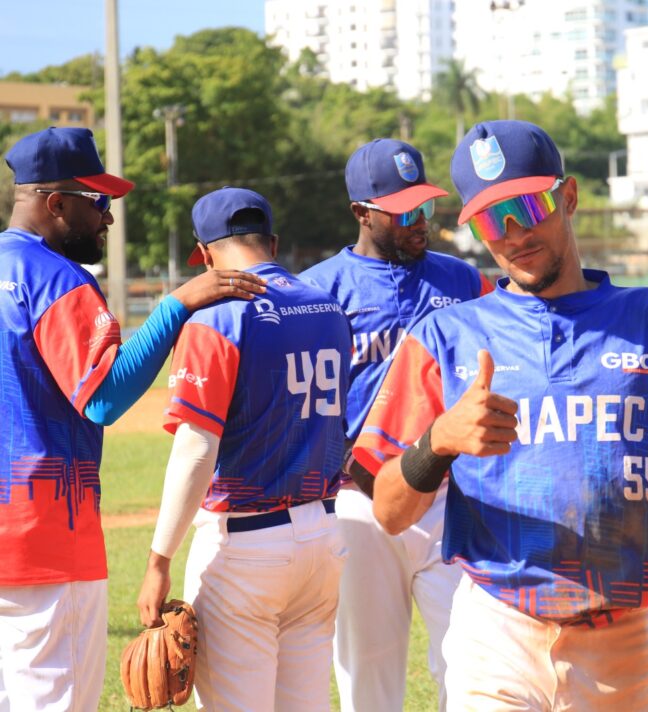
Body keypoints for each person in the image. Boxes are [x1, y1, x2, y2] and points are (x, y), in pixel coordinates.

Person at [353, 120, 648, 712]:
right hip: (495, 634)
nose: (515, 233)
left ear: (567, 197)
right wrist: (437, 442)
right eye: (493, 219)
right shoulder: (446, 337)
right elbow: (390, 512)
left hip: (620, 647)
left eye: (528, 206)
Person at [0, 127, 263, 711]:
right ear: (56, 203)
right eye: (98, 202)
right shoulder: (55, 280)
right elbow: (105, 398)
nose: (108, 217)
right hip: (44, 545)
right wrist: (177, 305)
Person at [135, 187, 352, 711]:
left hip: (247, 546)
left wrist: (159, 558)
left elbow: (195, 448)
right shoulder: (328, 307)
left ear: (205, 254)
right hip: (323, 538)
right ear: (272, 242)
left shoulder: (217, 316)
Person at [300, 138, 491, 712]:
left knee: (467, 662)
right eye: (403, 210)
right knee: (370, 674)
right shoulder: (318, 291)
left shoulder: (462, 281)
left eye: (425, 207)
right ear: (362, 212)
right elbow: (303, 405)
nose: (419, 221)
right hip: (360, 499)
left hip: (449, 498)